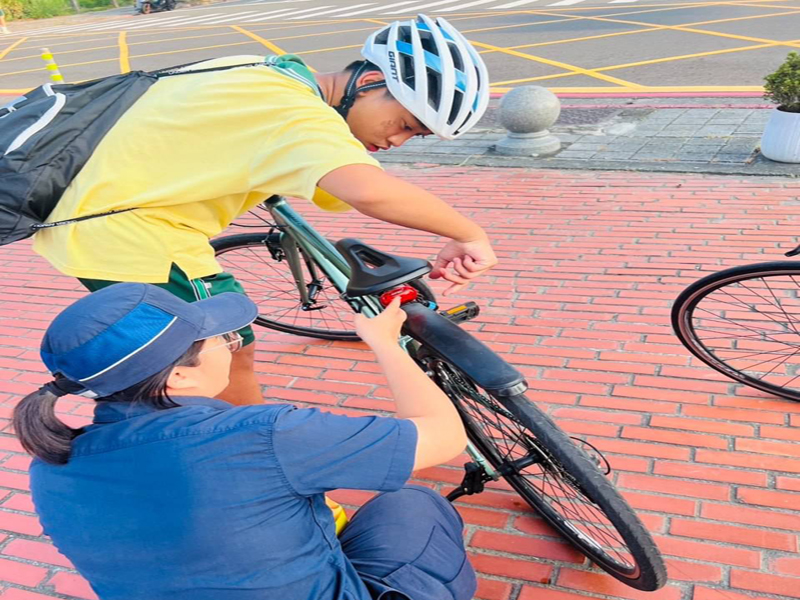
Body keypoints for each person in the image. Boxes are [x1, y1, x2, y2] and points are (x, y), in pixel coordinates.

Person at [31, 14, 498, 406]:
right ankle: (251, 460)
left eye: (414, 138)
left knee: (179, 357)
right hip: (133, 236)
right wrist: (469, 233)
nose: (396, 141)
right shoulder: (296, 112)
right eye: (404, 124)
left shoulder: (267, 68)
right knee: (227, 352)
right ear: (372, 81)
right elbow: (368, 191)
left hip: (87, 214)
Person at [14, 282, 476, 600]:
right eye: (221, 340)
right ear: (178, 376)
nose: (232, 344)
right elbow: (444, 434)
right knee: (414, 503)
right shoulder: (263, 435)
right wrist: (383, 344)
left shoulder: (50, 466)